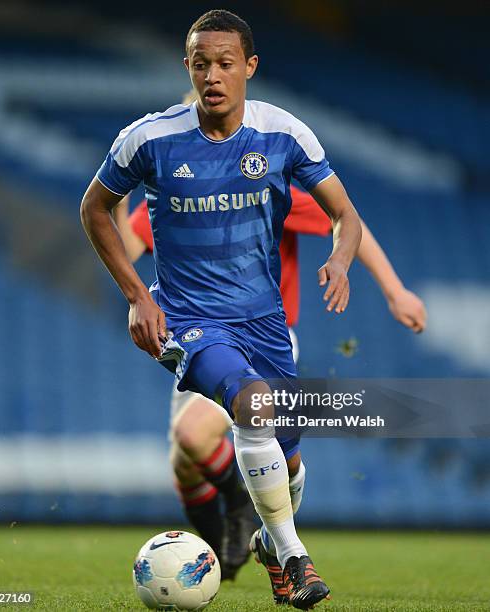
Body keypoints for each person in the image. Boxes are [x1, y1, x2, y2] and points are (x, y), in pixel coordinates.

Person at [81, 9, 365, 608]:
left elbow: (345, 214)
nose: (212, 75)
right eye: (201, 63)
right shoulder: (150, 139)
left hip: (265, 323)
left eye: (225, 64)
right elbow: (94, 209)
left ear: (249, 68)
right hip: (187, 319)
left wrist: (340, 261)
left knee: (288, 467)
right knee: (251, 406)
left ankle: (270, 539)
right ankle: (294, 558)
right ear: (188, 66)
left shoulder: (285, 134)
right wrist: (137, 295)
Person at [113, 186, 426, 593]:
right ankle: (226, 555)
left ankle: (256, 524)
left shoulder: (265, 184)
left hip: (262, 338)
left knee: (201, 436)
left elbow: (347, 219)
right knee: (185, 460)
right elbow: (130, 248)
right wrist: (120, 203)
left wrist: (394, 290)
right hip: (198, 332)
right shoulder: (182, 187)